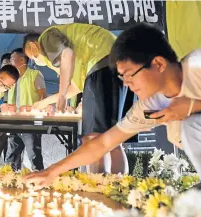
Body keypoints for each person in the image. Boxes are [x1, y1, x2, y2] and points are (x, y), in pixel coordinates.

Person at [24, 24, 201, 192]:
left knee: (193, 126)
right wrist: (52, 171)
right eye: (122, 77)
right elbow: (103, 142)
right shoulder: (152, 107)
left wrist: (198, 105)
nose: (127, 84)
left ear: (159, 64)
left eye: (131, 75)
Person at [23, 24, 128, 174]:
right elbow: (76, 87)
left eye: (31, 56)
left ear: (33, 46)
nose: (34, 60)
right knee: (112, 139)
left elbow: (67, 54)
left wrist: (62, 94)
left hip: (101, 61)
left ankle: (96, 188)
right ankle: (119, 189)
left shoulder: (46, 37)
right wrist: (44, 102)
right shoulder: (67, 58)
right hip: (119, 64)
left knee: (93, 139)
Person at [4, 48, 46, 171]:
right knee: (10, 158)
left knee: (34, 156)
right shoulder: (11, 78)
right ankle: (7, 181)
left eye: (12, 59)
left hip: (31, 123)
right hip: (13, 121)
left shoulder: (35, 75)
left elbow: (43, 96)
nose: (10, 61)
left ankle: (39, 182)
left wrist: (33, 108)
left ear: (22, 60)